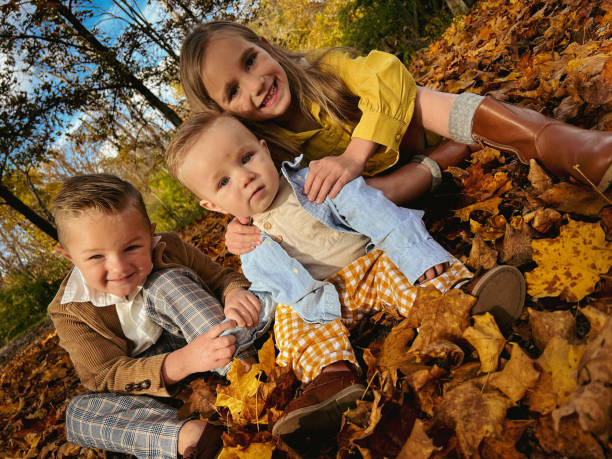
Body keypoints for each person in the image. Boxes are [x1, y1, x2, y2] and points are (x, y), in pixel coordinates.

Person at [164, 112, 526, 448]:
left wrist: (415, 254)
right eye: (224, 181)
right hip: (316, 303)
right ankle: (333, 380)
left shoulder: (313, 184)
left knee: (400, 264)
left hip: (367, 268)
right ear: (212, 206)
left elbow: (379, 214)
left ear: (265, 149)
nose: (244, 177)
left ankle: (463, 302)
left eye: (246, 159)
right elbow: (274, 291)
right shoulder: (248, 244)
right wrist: (246, 311)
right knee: (291, 322)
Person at [179, 21, 612, 255]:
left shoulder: (326, 72)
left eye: (251, 61)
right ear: (223, 113)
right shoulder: (262, 153)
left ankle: (554, 142)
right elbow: (253, 199)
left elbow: (388, 75)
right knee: (326, 195)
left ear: (265, 45)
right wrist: (239, 230)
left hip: (409, 141)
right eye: (233, 91)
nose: (255, 84)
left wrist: (353, 154)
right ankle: (443, 163)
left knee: (418, 98)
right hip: (392, 198)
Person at [48, 174, 262, 459]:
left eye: (132, 247)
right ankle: (190, 435)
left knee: (165, 283)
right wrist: (182, 362)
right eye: (96, 257)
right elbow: (105, 374)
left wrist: (234, 292)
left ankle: (253, 382)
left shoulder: (169, 246)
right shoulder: (69, 309)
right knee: (78, 414)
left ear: (150, 234)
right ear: (71, 257)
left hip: (212, 340)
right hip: (151, 383)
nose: (119, 266)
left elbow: (222, 279)